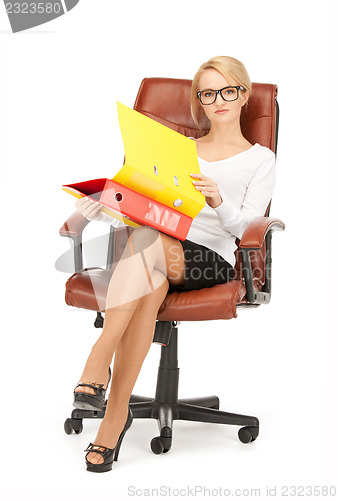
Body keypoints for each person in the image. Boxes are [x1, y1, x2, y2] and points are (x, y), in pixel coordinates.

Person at [73, 55, 276, 472]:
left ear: (244, 95)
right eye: (207, 93)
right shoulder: (177, 151)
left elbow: (246, 229)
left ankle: (98, 361)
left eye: (228, 90)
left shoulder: (259, 159)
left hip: (210, 260)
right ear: (198, 102)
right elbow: (143, 207)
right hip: (153, 253)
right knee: (147, 282)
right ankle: (115, 420)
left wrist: (219, 202)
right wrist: (105, 205)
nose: (218, 100)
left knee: (147, 245)